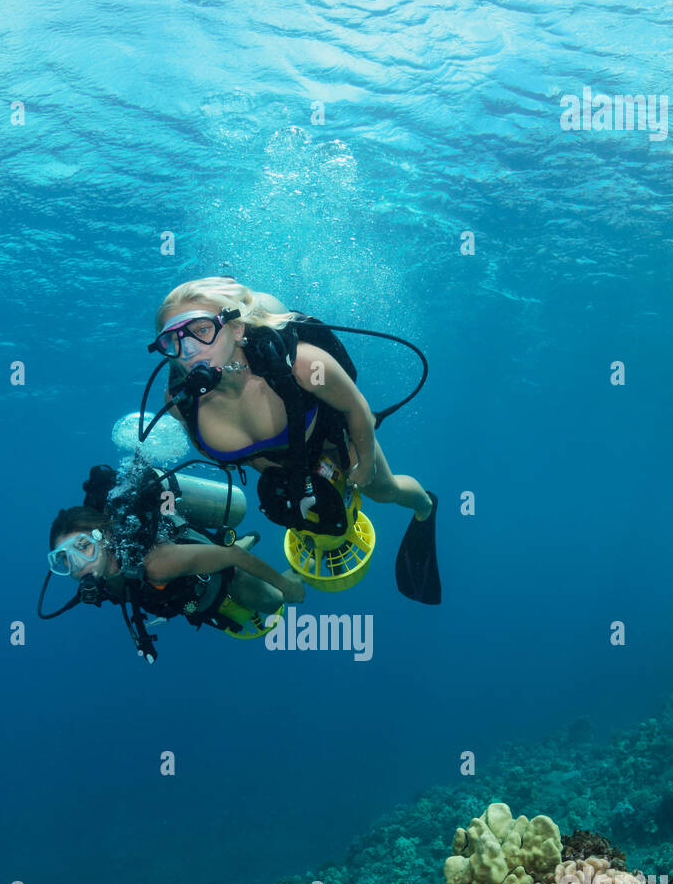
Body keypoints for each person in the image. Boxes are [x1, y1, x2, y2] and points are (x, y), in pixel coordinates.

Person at [145, 277, 441, 604]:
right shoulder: (179, 402)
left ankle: (425, 506)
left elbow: (355, 407)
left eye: (201, 330)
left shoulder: (303, 364)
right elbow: (244, 451)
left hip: (332, 438)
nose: (188, 351)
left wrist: (366, 461)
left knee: (384, 491)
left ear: (237, 329)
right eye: (172, 340)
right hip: (284, 465)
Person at [46, 504, 304, 650]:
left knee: (275, 601)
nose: (78, 565)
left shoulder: (157, 563)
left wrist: (287, 586)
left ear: (105, 537)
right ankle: (218, 547)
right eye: (65, 559)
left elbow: (234, 557)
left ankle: (301, 564)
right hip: (193, 594)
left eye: (82, 547)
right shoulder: (104, 579)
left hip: (224, 577)